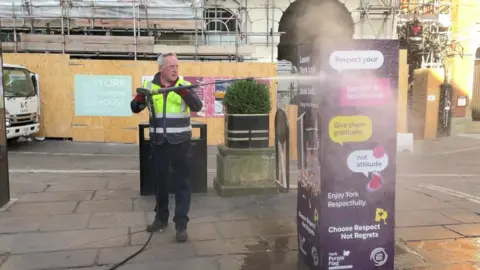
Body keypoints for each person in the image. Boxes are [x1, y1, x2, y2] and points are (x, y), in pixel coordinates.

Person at [130, 52, 202, 243]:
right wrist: (139, 99)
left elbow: (198, 105)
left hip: (181, 143)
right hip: (159, 143)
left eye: (177, 66)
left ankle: (181, 225)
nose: (175, 70)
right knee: (160, 183)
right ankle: (161, 219)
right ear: (161, 69)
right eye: (171, 66)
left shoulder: (183, 85)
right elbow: (135, 108)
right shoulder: (150, 87)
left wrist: (185, 93)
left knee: (182, 184)